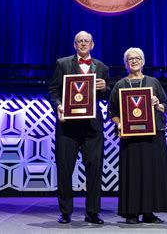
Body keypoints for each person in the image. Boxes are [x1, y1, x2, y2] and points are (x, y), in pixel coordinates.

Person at [48, 31, 110, 224]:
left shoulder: (102, 67)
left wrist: (104, 88)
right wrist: (58, 105)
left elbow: (107, 95)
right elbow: (53, 90)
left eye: (87, 41)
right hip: (68, 126)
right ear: (75, 45)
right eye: (79, 41)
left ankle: (92, 212)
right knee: (65, 168)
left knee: (95, 169)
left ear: (92, 45)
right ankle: (65, 211)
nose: (83, 44)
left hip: (92, 126)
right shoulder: (62, 63)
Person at [108, 47, 167, 224]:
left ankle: (148, 212)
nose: (134, 61)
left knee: (151, 174)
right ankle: (131, 212)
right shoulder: (120, 85)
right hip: (130, 137)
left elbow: (166, 106)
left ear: (143, 62)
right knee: (132, 174)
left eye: (137, 58)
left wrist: (157, 103)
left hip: (153, 135)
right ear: (126, 64)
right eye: (130, 59)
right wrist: (120, 123)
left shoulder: (153, 82)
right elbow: (112, 112)